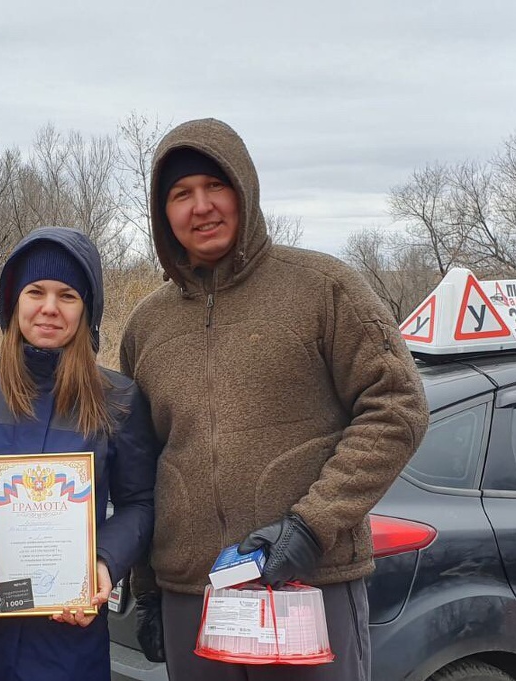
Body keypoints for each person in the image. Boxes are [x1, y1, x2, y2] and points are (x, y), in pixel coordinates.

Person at [119, 119, 429, 681]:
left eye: (216, 186)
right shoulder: (147, 325)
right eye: (180, 195)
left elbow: (397, 407)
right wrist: (149, 590)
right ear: (163, 213)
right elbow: (142, 464)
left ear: (245, 190)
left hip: (306, 584)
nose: (201, 207)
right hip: (194, 595)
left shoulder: (323, 288)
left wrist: (310, 527)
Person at [0, 226, 159, 681]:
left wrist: (104, 562)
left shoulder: (119, 398)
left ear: (86, 310)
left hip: (69, 630)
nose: (49, 308)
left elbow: (140, 502)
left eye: (67, 295)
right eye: (36, 291)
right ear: (13, 302)